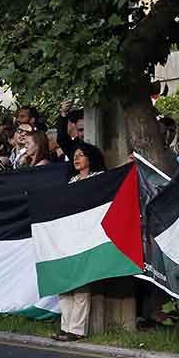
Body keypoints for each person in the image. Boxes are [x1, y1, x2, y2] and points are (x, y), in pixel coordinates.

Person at [54, 142, 107, 342]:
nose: (76, 159)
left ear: (90, 158)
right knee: (65, 284)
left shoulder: (99, 178)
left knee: (81, 284)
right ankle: (65, 326)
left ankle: (76, 330)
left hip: (88, 237)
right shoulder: (72, 181)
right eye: (74, 155)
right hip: (69, 237)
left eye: (81, 155)